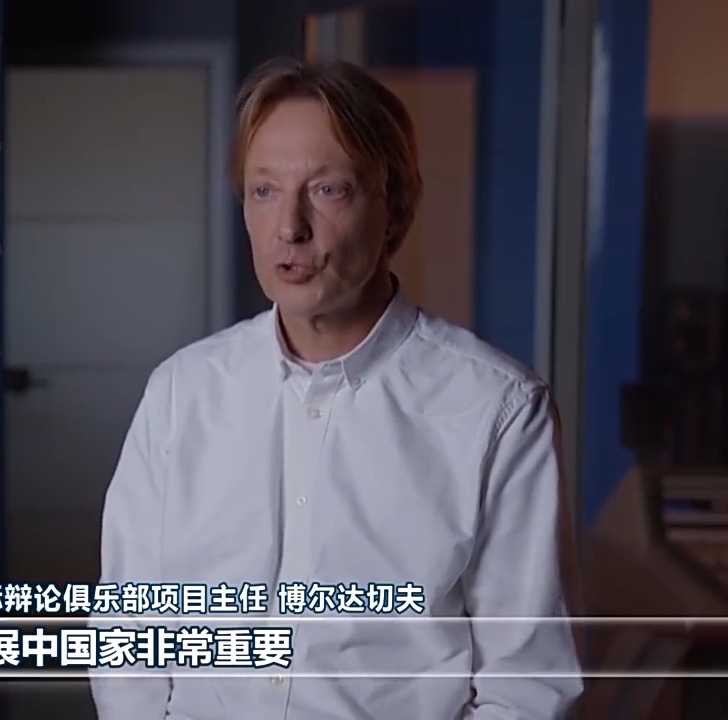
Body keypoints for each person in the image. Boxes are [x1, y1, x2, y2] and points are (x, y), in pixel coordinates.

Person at [89, 57, 582, 719]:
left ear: (394, 209)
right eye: (264, 191)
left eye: (328, 189)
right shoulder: (182, 394)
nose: (289, 227)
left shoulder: (497, 410)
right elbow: (129, 641)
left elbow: (527, 686)